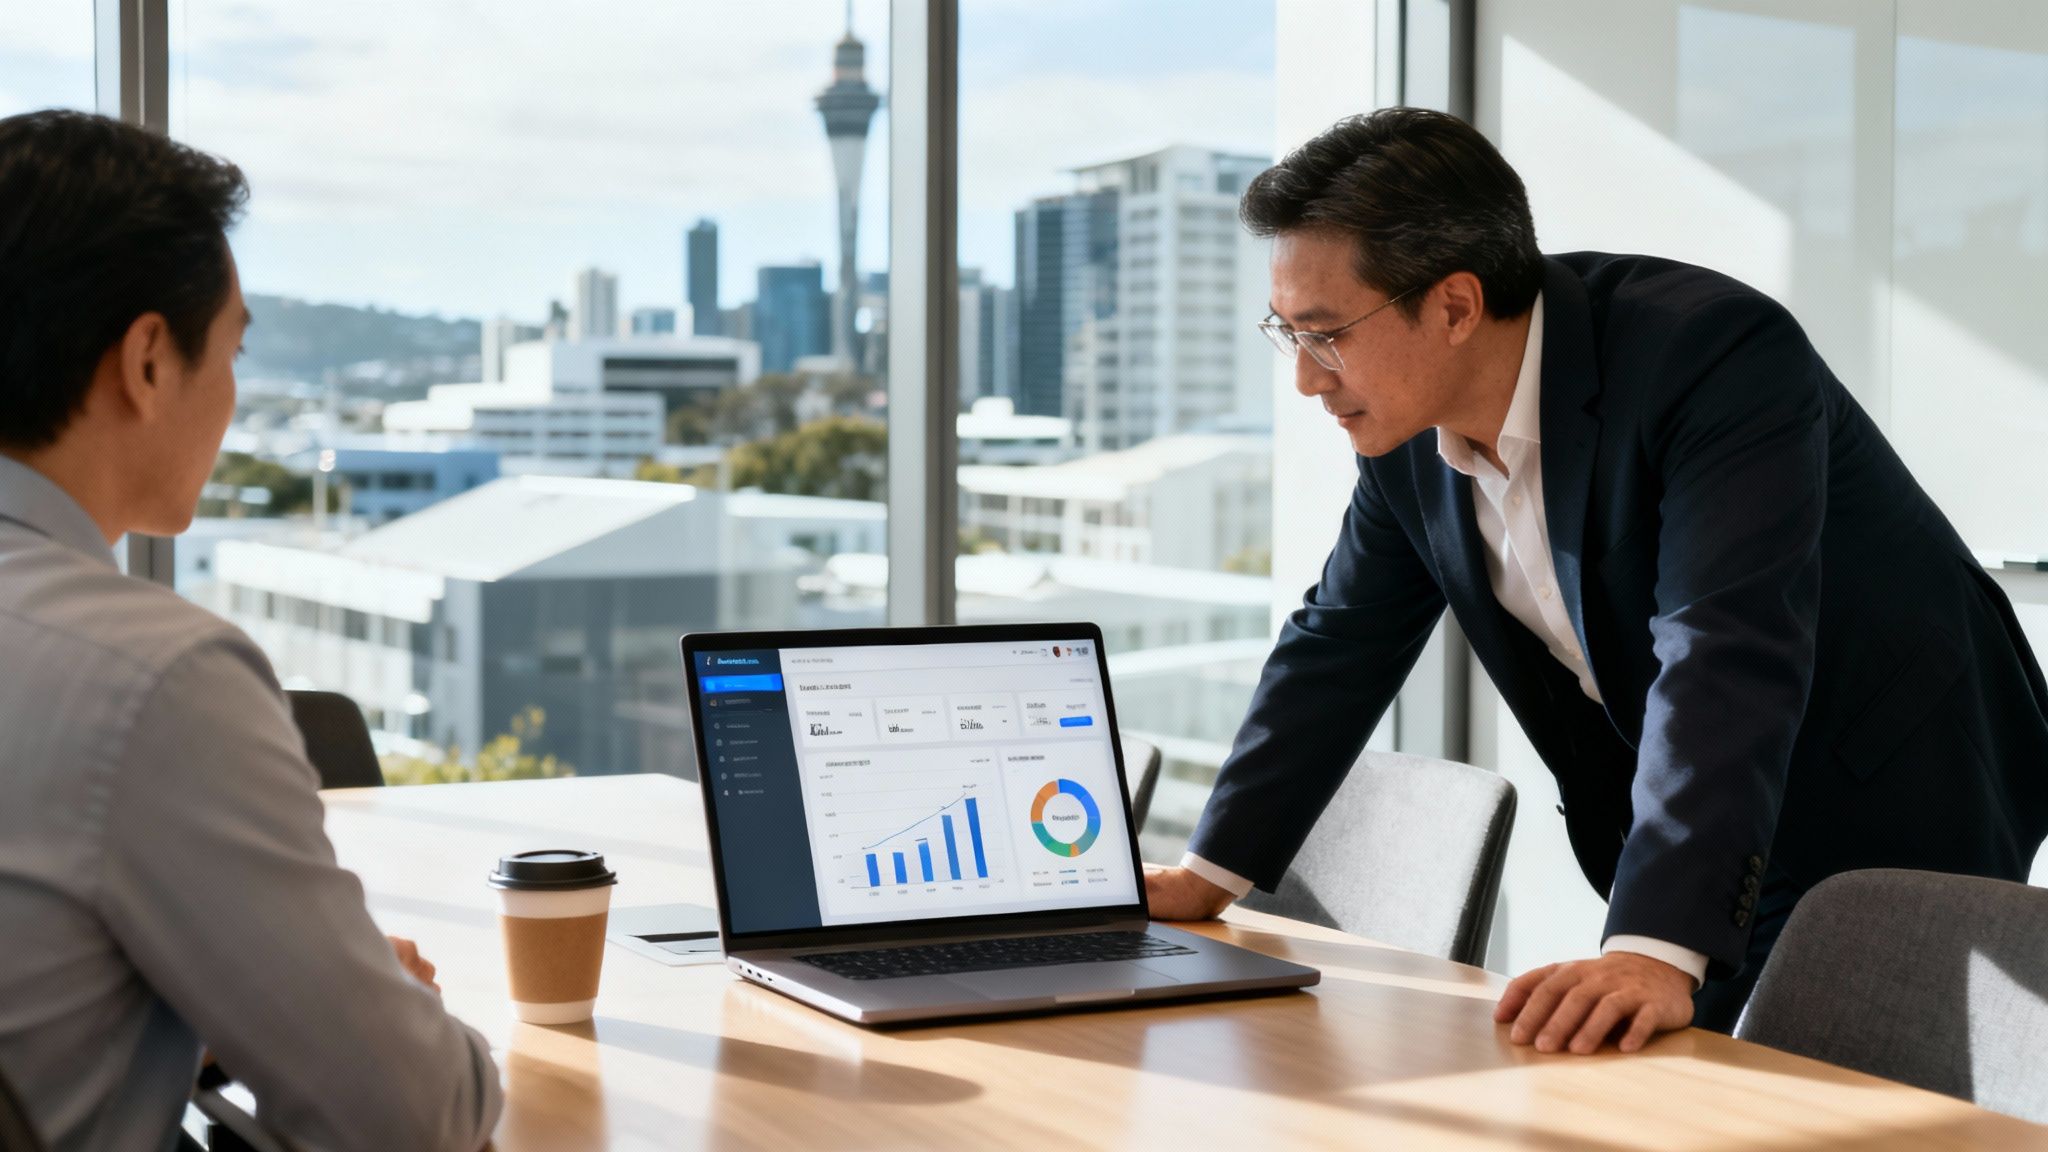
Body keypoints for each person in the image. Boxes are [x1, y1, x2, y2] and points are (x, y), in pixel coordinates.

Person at [1144, 108, 2048, 1053]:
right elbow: (1338, 644)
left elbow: (1721, 642)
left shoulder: (1712, 353)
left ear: (1453, 306)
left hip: (1893, 766)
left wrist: (1655, 944)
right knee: (1658, 1075)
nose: (1305, 380)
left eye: (1325, 334)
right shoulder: (1406, 434)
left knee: (1863, 1096)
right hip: (1711, 803)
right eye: (1285, 333)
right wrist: (1212, 873)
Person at [0, 110, 501, 1151]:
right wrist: (387, 1020)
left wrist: (200, 1011)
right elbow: (414, 1118)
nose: (231, 397)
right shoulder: (151, 675)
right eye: (231, 351)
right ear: (146, 361)